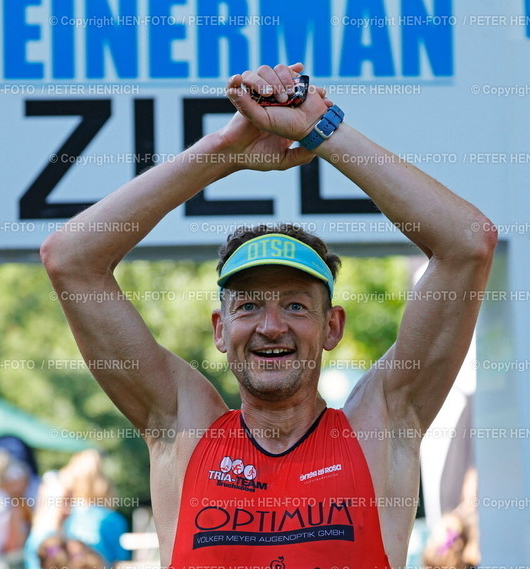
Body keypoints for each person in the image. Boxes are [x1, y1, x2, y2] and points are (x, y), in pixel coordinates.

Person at [41, 63, 497, 568]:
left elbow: (468, 243)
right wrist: (223, 152)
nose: (271, 326)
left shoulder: (380, 427)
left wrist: (322, 130)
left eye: (295, 305)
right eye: (249, 305)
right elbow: (69, 259)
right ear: (220, 330)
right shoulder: (183, 428)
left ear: (332, 327)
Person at [24, 450, 129, 569]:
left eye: (69, 500)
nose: (69, 509)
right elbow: (119, 559)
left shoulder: (55, 533)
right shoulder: (44, 539)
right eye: (65, 501)